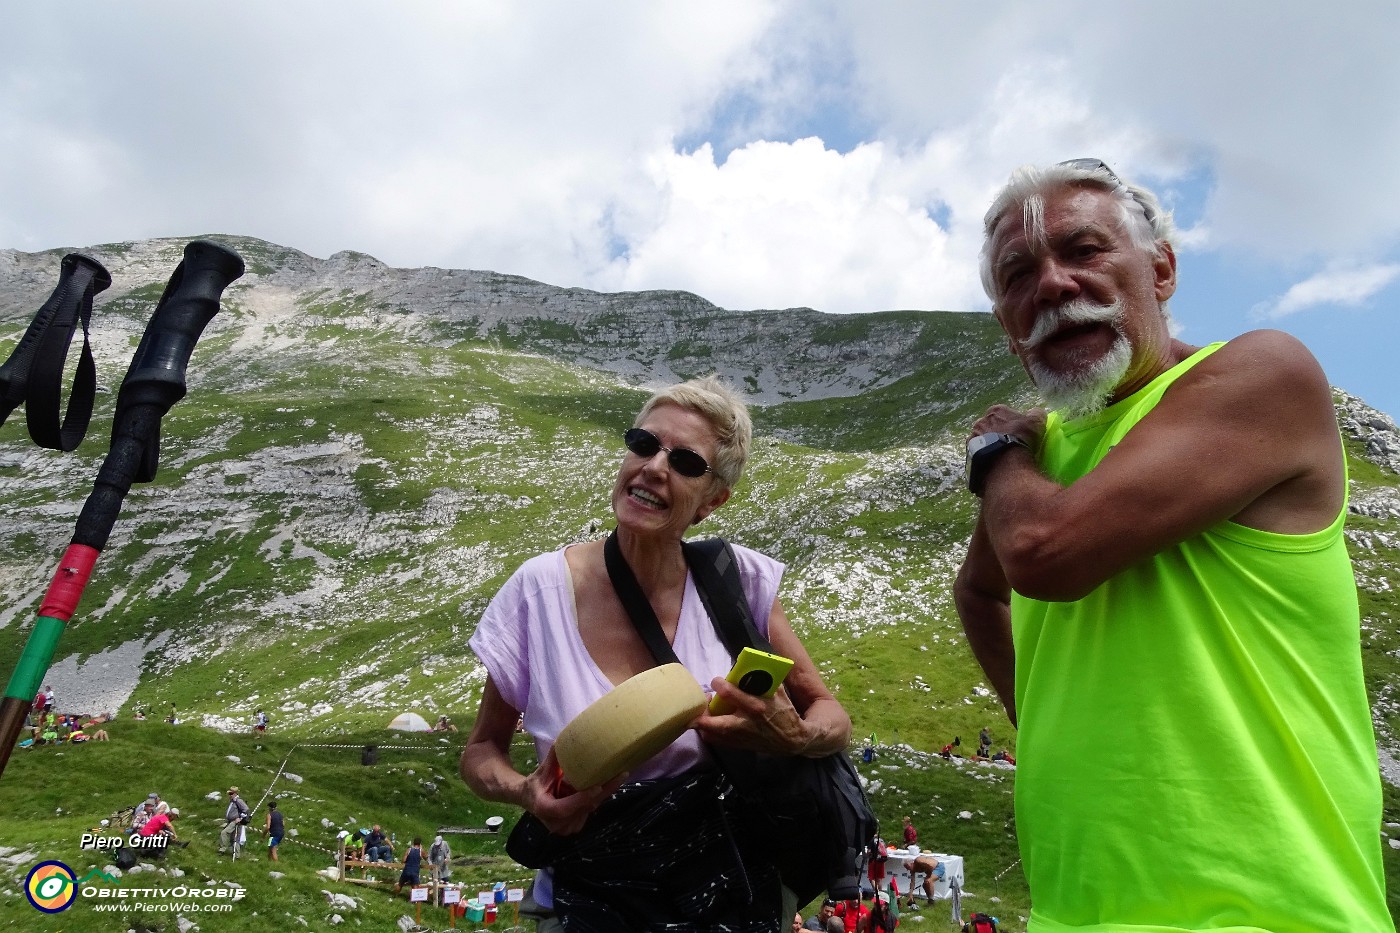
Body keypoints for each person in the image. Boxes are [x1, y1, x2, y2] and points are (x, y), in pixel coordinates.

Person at [954, 158, 1393, 931]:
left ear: (1160, 269)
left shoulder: (1264, 374)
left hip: (1264, 914)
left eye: (1084, 250)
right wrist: (1054, 723)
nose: (1052, 285)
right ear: (1006, 326)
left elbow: (1042, 554)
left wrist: (997, 452)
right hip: (1070, 912)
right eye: (1017, 273)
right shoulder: (1046, 453)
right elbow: (979, 590)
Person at [461, 375, 851, 931]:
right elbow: (480, 751)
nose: (654, 467)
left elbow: (833, 718)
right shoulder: (539, 590)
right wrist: (527, 792)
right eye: (644, 444)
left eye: (687, 463)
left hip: (729, 898)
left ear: (713, 501)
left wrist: (795, 736)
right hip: (587, 899)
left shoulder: (736, 581)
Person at [218, 786, 250, 854]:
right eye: (229, 794)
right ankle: (236, 854)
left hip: (235, 821)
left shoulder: (238, 801)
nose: (229, 795)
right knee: (234, 838)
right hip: (230, 821)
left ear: (235, 793)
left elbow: (246, 809)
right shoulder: (233, 801)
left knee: (224, 833)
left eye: (231, 794)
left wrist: (240, 818)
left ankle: (222, 849)